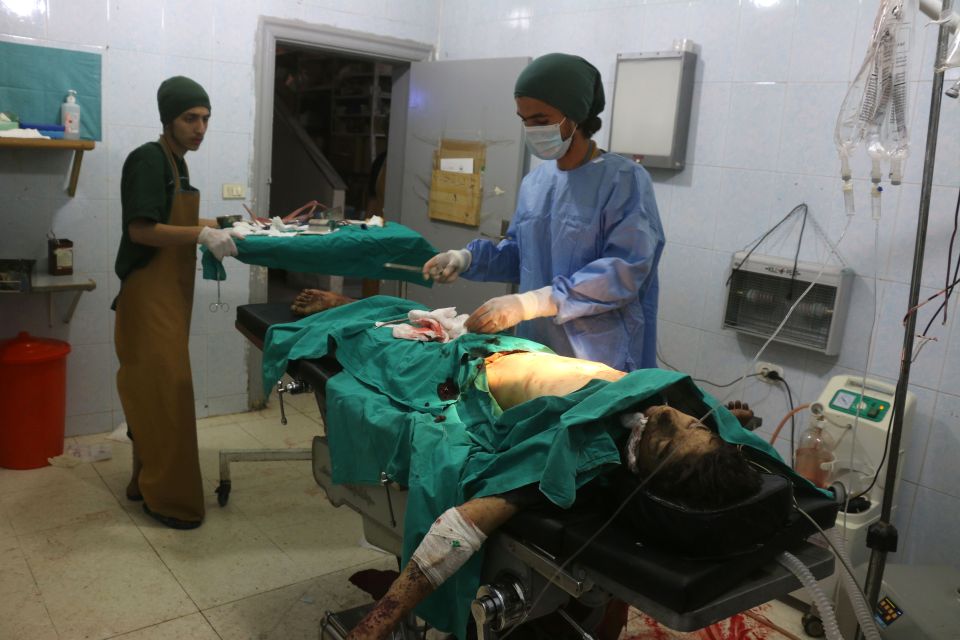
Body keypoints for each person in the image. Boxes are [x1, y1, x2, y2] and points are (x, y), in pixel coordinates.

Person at [345, 350, 760, 640]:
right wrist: (724, 423)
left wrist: (377, 622)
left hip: (463, 365)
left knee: (379, 340)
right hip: (518, 348)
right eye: (694, 425)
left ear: (647, 478)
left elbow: (461, 527)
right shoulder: (673, 406)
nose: (670, 416)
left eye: (664, 445)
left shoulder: (582, 450)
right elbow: (701, 431)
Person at [422, 53, 665, 371]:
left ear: (575, 116)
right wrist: (466, 259)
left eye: (541, 120)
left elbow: (623, 272)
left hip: (598, 356)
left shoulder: (624, 181)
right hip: (535, 347)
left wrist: (533, 302)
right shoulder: (536, 182)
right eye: (525, 120)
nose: (531, 129)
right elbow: (522, 256)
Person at [113, 76, 240, 530]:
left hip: (167, 299)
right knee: (166, 397)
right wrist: (202, 234)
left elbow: (173, 216)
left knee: (155, 397)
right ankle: (168, 500)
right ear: (168, 118)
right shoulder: (149, 159)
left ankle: (142, 483)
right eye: (191, 118)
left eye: (206, 118)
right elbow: (142, 231)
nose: (200, 127)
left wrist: (233, 223)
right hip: (146, 298)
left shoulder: (176, 165)